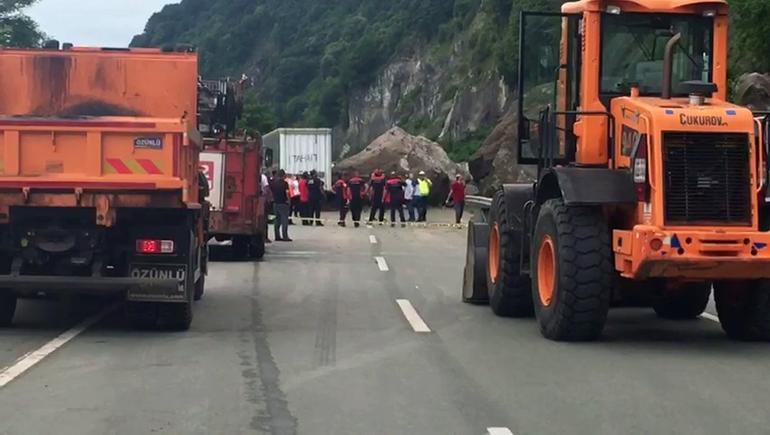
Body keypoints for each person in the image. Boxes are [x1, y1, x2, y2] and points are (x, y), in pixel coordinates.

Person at [270, 169, 292, 242]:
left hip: (275, 203)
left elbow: (271, 192)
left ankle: (277, 236)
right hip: (283, 203)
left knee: (277, 220)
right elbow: (287, 193)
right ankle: (285, 236)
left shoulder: (273, 183)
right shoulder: (285, 183)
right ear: (283, 175)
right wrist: (288, 201)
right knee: (284, 220)